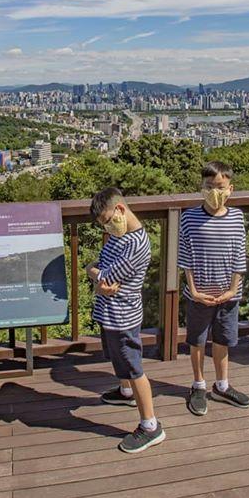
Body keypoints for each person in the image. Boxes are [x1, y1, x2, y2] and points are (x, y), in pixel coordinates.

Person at [87, 187, 165, 453]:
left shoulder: (135, 244)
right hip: (111, 313)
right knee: (118, 358)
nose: (107, 228)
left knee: (134, 368)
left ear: (120, 210)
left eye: (107, 220)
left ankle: (150, 426)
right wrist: (97, 274)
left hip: (123, 317)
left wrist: (94, 273)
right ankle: (125, 392)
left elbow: (105, 278)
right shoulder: (117, 236)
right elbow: (102, 270)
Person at [178, 160, 249, 416]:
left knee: (223, 339)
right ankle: (198, 384)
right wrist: (194, 290)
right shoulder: (189, 217)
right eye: (209, 186)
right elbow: (184, 258)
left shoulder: (237, 217)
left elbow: (239, 257)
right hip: (198, 294)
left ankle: (222, 384)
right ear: (201, 187)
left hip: (229, 295)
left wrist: (233, 289)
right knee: (197, 341)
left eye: (220, 186)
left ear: (230, 188)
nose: (214, 192)